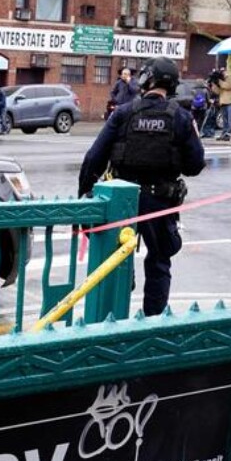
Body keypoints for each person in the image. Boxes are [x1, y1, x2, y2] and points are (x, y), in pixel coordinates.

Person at [78, 56, 205, 317]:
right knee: (159, 262)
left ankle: (113, 320)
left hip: (122, 202)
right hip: (161, 203)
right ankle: (153, 324)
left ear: (146, 79)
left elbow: (94, 157)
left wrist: (84, 196)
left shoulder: (124, 113)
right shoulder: (180, 117)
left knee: (117, 260)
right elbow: (195, 164)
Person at [211, 60, 231, 141]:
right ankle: (224, 133)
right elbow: (219, 91)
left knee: (230, 119)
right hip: (223, 101)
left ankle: (229, 134)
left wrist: (220, 81)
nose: (223, 72)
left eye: (224, 70)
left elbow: (229, 85)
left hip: (230, 101)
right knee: (225, 120)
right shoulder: (222, 80)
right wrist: (214, 84)